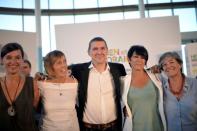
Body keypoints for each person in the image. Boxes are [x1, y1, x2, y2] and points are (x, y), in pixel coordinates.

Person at [70, 37, 126, 131]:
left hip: (113, 127)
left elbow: (130, 85)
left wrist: (153, 70)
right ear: (89, 52)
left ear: (107, 51)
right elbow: (59, 73)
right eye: (95, 49)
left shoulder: (119, 69)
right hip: (87, 128)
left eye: (102, 48)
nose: (99, 52)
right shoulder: (78, 70)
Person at [121, 45, 166, 131]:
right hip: (135, 127)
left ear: (145, 61)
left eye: (142, 57)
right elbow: (117, 103)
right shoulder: (123, 81)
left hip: (157, 126)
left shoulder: (157, 77)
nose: (139, 60)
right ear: (129, 59)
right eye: (135, 57)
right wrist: (123, 109)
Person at [0, 42, 39, 131]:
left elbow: (33, 109)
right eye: (9, 57)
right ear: (1, 60)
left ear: (22, 60)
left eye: (17, 58)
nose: (13, 62)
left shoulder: (32, 83)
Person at [37, 50, 79, 131]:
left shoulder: (74, 82)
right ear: (50, 66)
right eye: (59, 63)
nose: (63, 65)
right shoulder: (42, 84)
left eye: (64, 61)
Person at [158, 51, 197, 131]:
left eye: (171, 62)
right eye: (164, 64)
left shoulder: (195, 84)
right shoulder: (160, 88)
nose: (168, 66)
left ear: (180, 65)